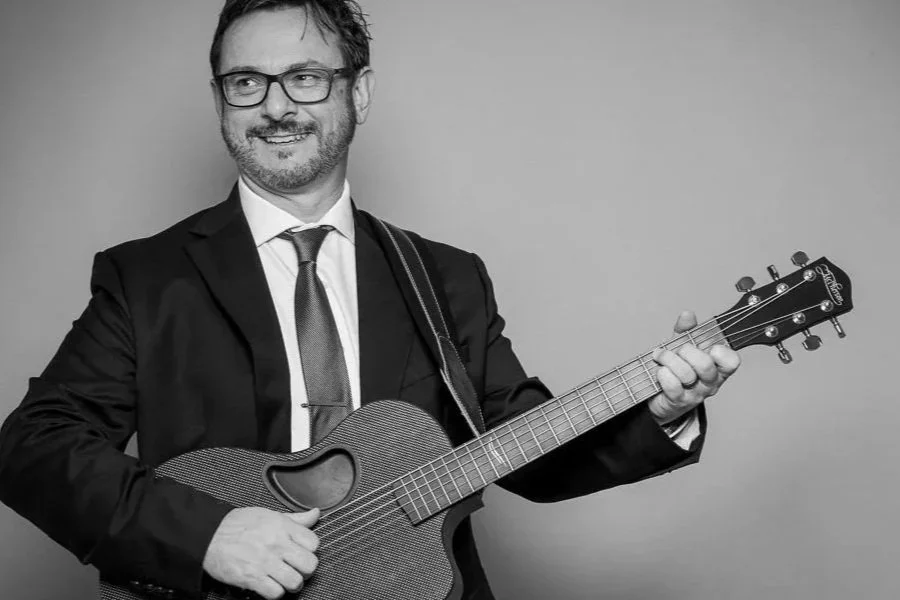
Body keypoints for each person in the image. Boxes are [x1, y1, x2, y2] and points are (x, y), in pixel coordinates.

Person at [0, 1, 741, 599]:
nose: (275, 106)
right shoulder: (147, 277)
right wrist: (207, 534)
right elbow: (32, 449)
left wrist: (662, 414)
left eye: (305, 78)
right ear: (221, 100)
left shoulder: (446, 277)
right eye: (246, 81)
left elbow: (523, 450)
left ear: (358, 92)